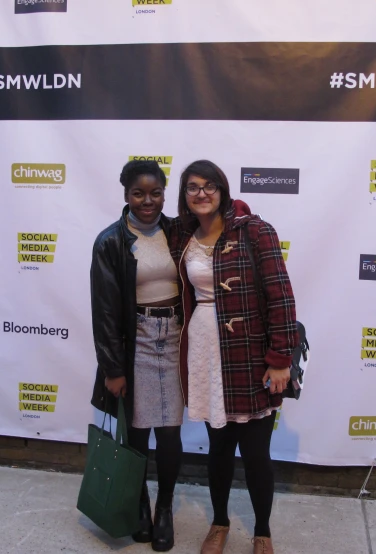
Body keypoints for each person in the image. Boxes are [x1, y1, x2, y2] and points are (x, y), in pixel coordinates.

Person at [169, 160, 298, 554]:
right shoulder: (182, 237)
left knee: (257, 452)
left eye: (209, 186)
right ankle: (220, 522)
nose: (201, 193)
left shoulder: (255, 231)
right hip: (206, 351)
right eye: (193, 187)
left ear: (222, 190)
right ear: (185, 196)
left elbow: (281, 295)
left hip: (250, 354)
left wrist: (280, 359)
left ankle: (262, 531)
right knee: (219, 448)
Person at [90, 159, 183, 552]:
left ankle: (164, 508)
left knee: (171, 433)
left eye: (156, 192)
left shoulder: (179, 232)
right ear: (126, 195)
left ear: (165, 192)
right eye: (139, 193)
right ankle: (140, 501)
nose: (148, 201)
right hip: (138, 342)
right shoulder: (110, 241)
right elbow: (106, 310)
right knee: (140, 431)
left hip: (177, 339)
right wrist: (113, 367)